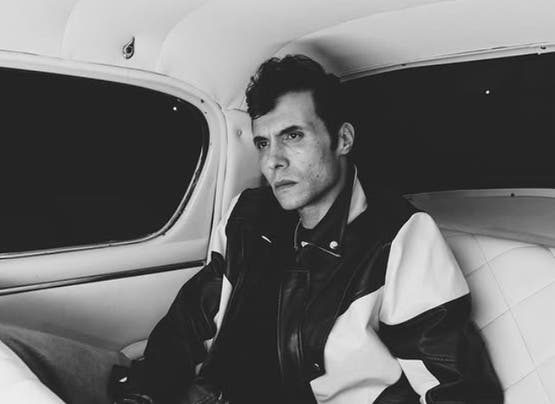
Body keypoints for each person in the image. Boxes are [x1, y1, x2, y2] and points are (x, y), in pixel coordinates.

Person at [0, 54, 503, 404]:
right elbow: (189, 324)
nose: (272, 161)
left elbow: (460, 390)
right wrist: (146, 393)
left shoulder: (399, 236)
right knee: (13, 350)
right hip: (202, 392)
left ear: (343, 139)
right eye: (263, 143)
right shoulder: (249, 214)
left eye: (293, 136)